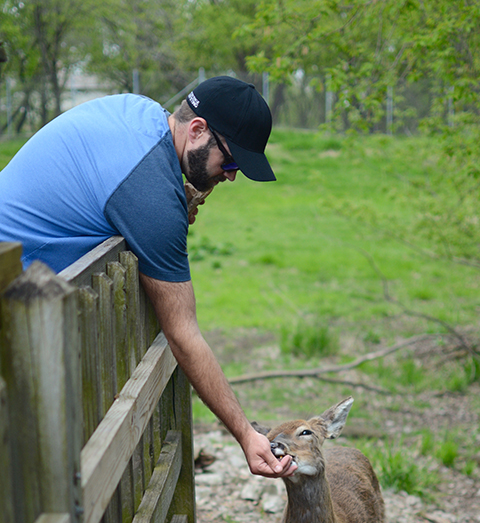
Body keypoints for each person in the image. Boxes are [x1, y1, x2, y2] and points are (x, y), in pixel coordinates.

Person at [0, 76, 295, 479]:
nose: (230, 177)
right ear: (197, 130)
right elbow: (183, 334)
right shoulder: (151, 194)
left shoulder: (140, 114)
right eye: (230, 163)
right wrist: (246, 433)